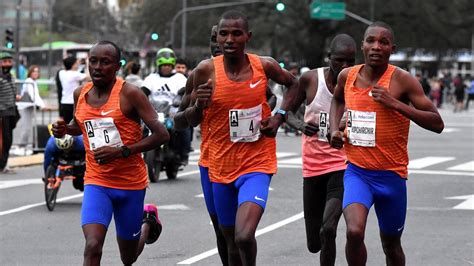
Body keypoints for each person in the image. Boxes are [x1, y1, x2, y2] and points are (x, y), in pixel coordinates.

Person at [183, 11, 299, 265]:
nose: (229, 39)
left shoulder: (263, 65)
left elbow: (295, 85)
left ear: (248, 36)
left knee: (244, 236)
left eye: (236, 33)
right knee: (228, 239)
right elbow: (184, 120)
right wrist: (199, 107)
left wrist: (279, 116)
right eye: (224, 34)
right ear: (217, 38)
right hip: (218, 165)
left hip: (257, 162)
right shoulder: (204, 71)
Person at [329, 21, 444, 266]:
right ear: (362, 45)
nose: (376, 47)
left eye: (383, 42)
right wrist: (333, 130)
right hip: (357, 173)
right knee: (354, 231)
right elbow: (337, 100)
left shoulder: (403, 81)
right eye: (370, 40)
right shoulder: (347, 76)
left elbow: (437, 123)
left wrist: (396, 104)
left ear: (392, 48)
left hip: (391, 176)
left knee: (390, 245)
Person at [52, 40, 170, 265]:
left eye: (105, 62)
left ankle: (148, 222)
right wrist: (65, 129)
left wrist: (122, 151)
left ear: (117, 66)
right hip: (97, 181)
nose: (97, 67)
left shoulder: (130, 94)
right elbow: (80, 125)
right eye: (93, 61)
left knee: (129, 257)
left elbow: (162, 134)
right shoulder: (80, 93)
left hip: (130, 184)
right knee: (93, 246)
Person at [285, 34, 356, 265]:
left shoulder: (358, 83)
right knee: (314, 242)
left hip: (343, 166)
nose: (345, 66)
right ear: (329, 58)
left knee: (329, 229)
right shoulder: (310, 80)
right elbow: (288, 112)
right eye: (339, 60)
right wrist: (299, 125)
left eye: (350, 61)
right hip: (313, 168)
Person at [173, 24, 228, 265]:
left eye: (225, 37)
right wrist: (198, 107)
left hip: (249, 163)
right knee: (221, 230)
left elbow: (269, 95)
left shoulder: (251, 70)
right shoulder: (200, 74)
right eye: (214, 38)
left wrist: (272, 115)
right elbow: (179, 121)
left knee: (243, 234)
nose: (219, 43)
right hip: (212, 162)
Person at [142, 48, 190, 164]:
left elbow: (186, 92)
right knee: (142, 129)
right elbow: (143, 92)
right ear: (159, 65)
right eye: (164, 65)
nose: (166, 67)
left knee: (183, 128)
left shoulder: (180, 78)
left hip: (173, 113)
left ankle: (183, 154)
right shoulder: (151, 78)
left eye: (169, 65)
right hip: (155, 113)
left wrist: (181, 99)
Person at [15, 65, 47, 155]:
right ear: (30, 73)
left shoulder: (33, 82)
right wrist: (42, 105)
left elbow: (36, 96)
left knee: (28, 128)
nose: (36, 73)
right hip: (26, 107)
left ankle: (23, 147)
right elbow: (34, 96)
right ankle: (20, 147)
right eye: (34, 71)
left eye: (37, 71)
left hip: (29, 107)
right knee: (26, 128)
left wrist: (42, 105)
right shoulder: (29, 81)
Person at [0, 52, 19, 174]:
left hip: (11, 111)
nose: (7, 64)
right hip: (2, 112)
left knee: (9, 140)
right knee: (4, 140)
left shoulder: (11, 77)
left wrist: (16, 96)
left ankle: (4, 164)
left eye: (9, 61)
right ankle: (2, 165)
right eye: (5, 61)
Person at [58, 56, 88, 123]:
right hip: (73, 104)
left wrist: (78, 63)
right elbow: (89, 77)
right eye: (76, 63)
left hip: (64, 103)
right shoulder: (75, 74)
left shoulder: (61, 73)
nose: (78, 65)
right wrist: (87, 63)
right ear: (73, 65)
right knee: (74, 124)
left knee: (67, 124)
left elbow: (70, 70)